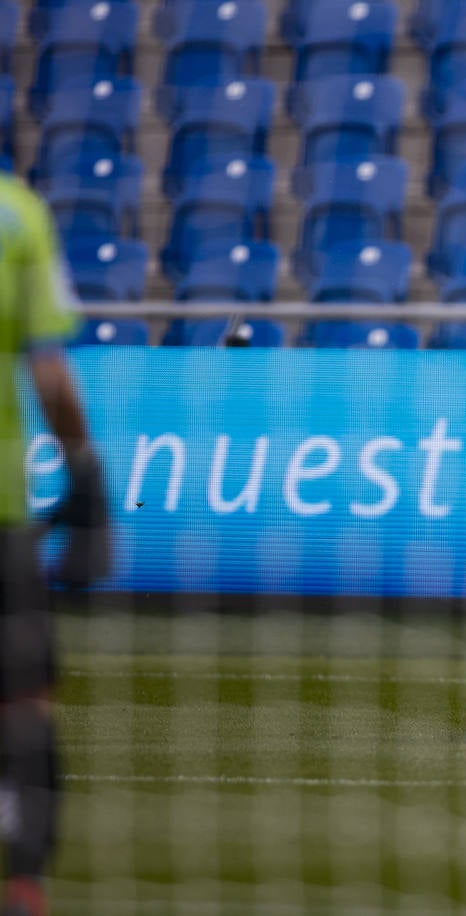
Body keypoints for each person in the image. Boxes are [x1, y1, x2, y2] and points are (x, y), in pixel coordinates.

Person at [1, 177, 111, 916]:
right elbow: (48, 372)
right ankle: (24, 882)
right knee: (23, 700)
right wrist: (84, 472)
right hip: (1, 507)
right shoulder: (17, 213)